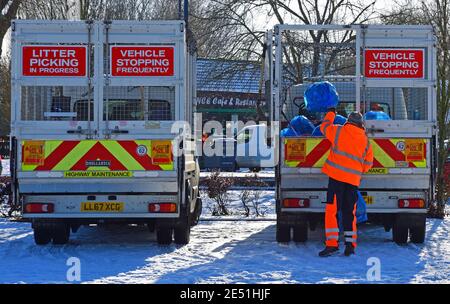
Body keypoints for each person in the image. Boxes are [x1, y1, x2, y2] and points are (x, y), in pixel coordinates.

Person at [318, 108, 374, 257]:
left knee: (332, 210)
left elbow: (323, 127)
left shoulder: (338, 131)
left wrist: (331, 113)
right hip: (352, 181)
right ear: (361, 125)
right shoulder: (366, 140)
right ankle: (350, 245)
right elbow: (368, 164)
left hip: (336, 178)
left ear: (348, 121)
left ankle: (332, 244)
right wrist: (355, 170)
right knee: (350, 213)